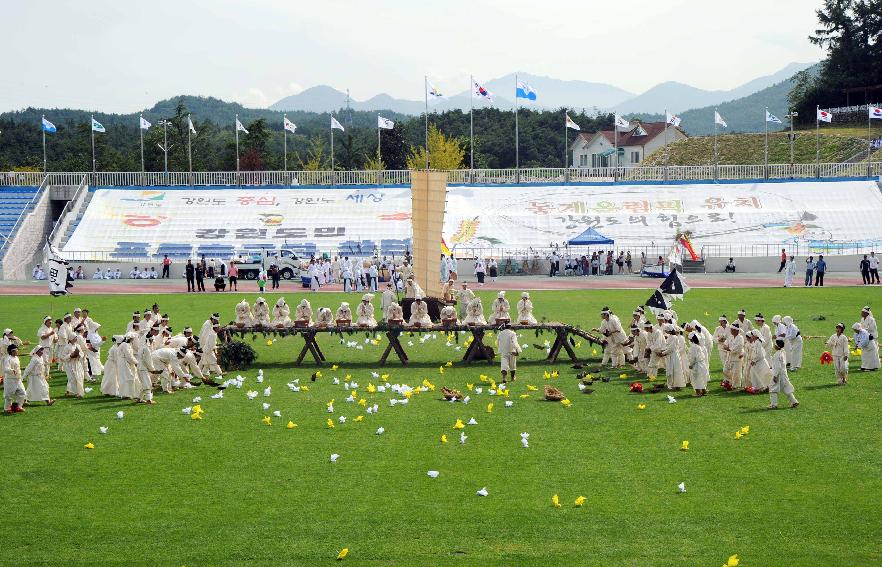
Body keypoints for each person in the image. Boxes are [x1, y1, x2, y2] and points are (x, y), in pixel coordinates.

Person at [769, 339, 799, 409]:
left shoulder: (777, 355)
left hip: (779, 374)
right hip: (783, 374)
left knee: (773, 388)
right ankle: (794, 401)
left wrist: (775, 376)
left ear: (777, 346)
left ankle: (774, 404)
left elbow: (777, 367)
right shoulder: (783, 352)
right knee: (786, 388)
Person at [3, 345, 26, 413]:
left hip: (18, 379)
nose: (17, 351)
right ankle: (7, 409)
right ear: (12, 351)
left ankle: (17, 406)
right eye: (16, 350)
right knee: (9, 395)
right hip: (10, 379)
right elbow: (6, 369)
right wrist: (12, 370)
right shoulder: (8, 359)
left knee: (22, 393)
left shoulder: (16, 358)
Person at [723, 324, 745, 389]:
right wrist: (725, 346)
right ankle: (729, 382)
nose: (730, 331)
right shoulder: (730, 336)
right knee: (725, 370)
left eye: (732, 330)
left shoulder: (740, 338)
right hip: (729, 357)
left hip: (737, 357)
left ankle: (736, 385)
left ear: (736, 330)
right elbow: (725, 344)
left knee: (736, 372)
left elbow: (739, 347)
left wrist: (729, 349)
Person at [687, 332, 709, 396]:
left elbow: (693, 357)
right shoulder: (698, 346)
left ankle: (698, 392)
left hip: (696, 364)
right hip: (702, 363)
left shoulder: (693, 347)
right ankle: (703, 390)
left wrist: (691, 364)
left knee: (696, 378)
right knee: (702, 377)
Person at [859, 306, 880, 371]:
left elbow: (871, 329)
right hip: (865, 337)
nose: (861, 313)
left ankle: (872, 366)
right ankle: (864, 366)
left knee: (872, 353)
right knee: (864, 353)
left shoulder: (871, 320)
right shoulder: (862, 319)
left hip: (871, 337)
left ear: (867, 313)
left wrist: (863, 330)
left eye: (863, 312)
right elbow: (861, 327)